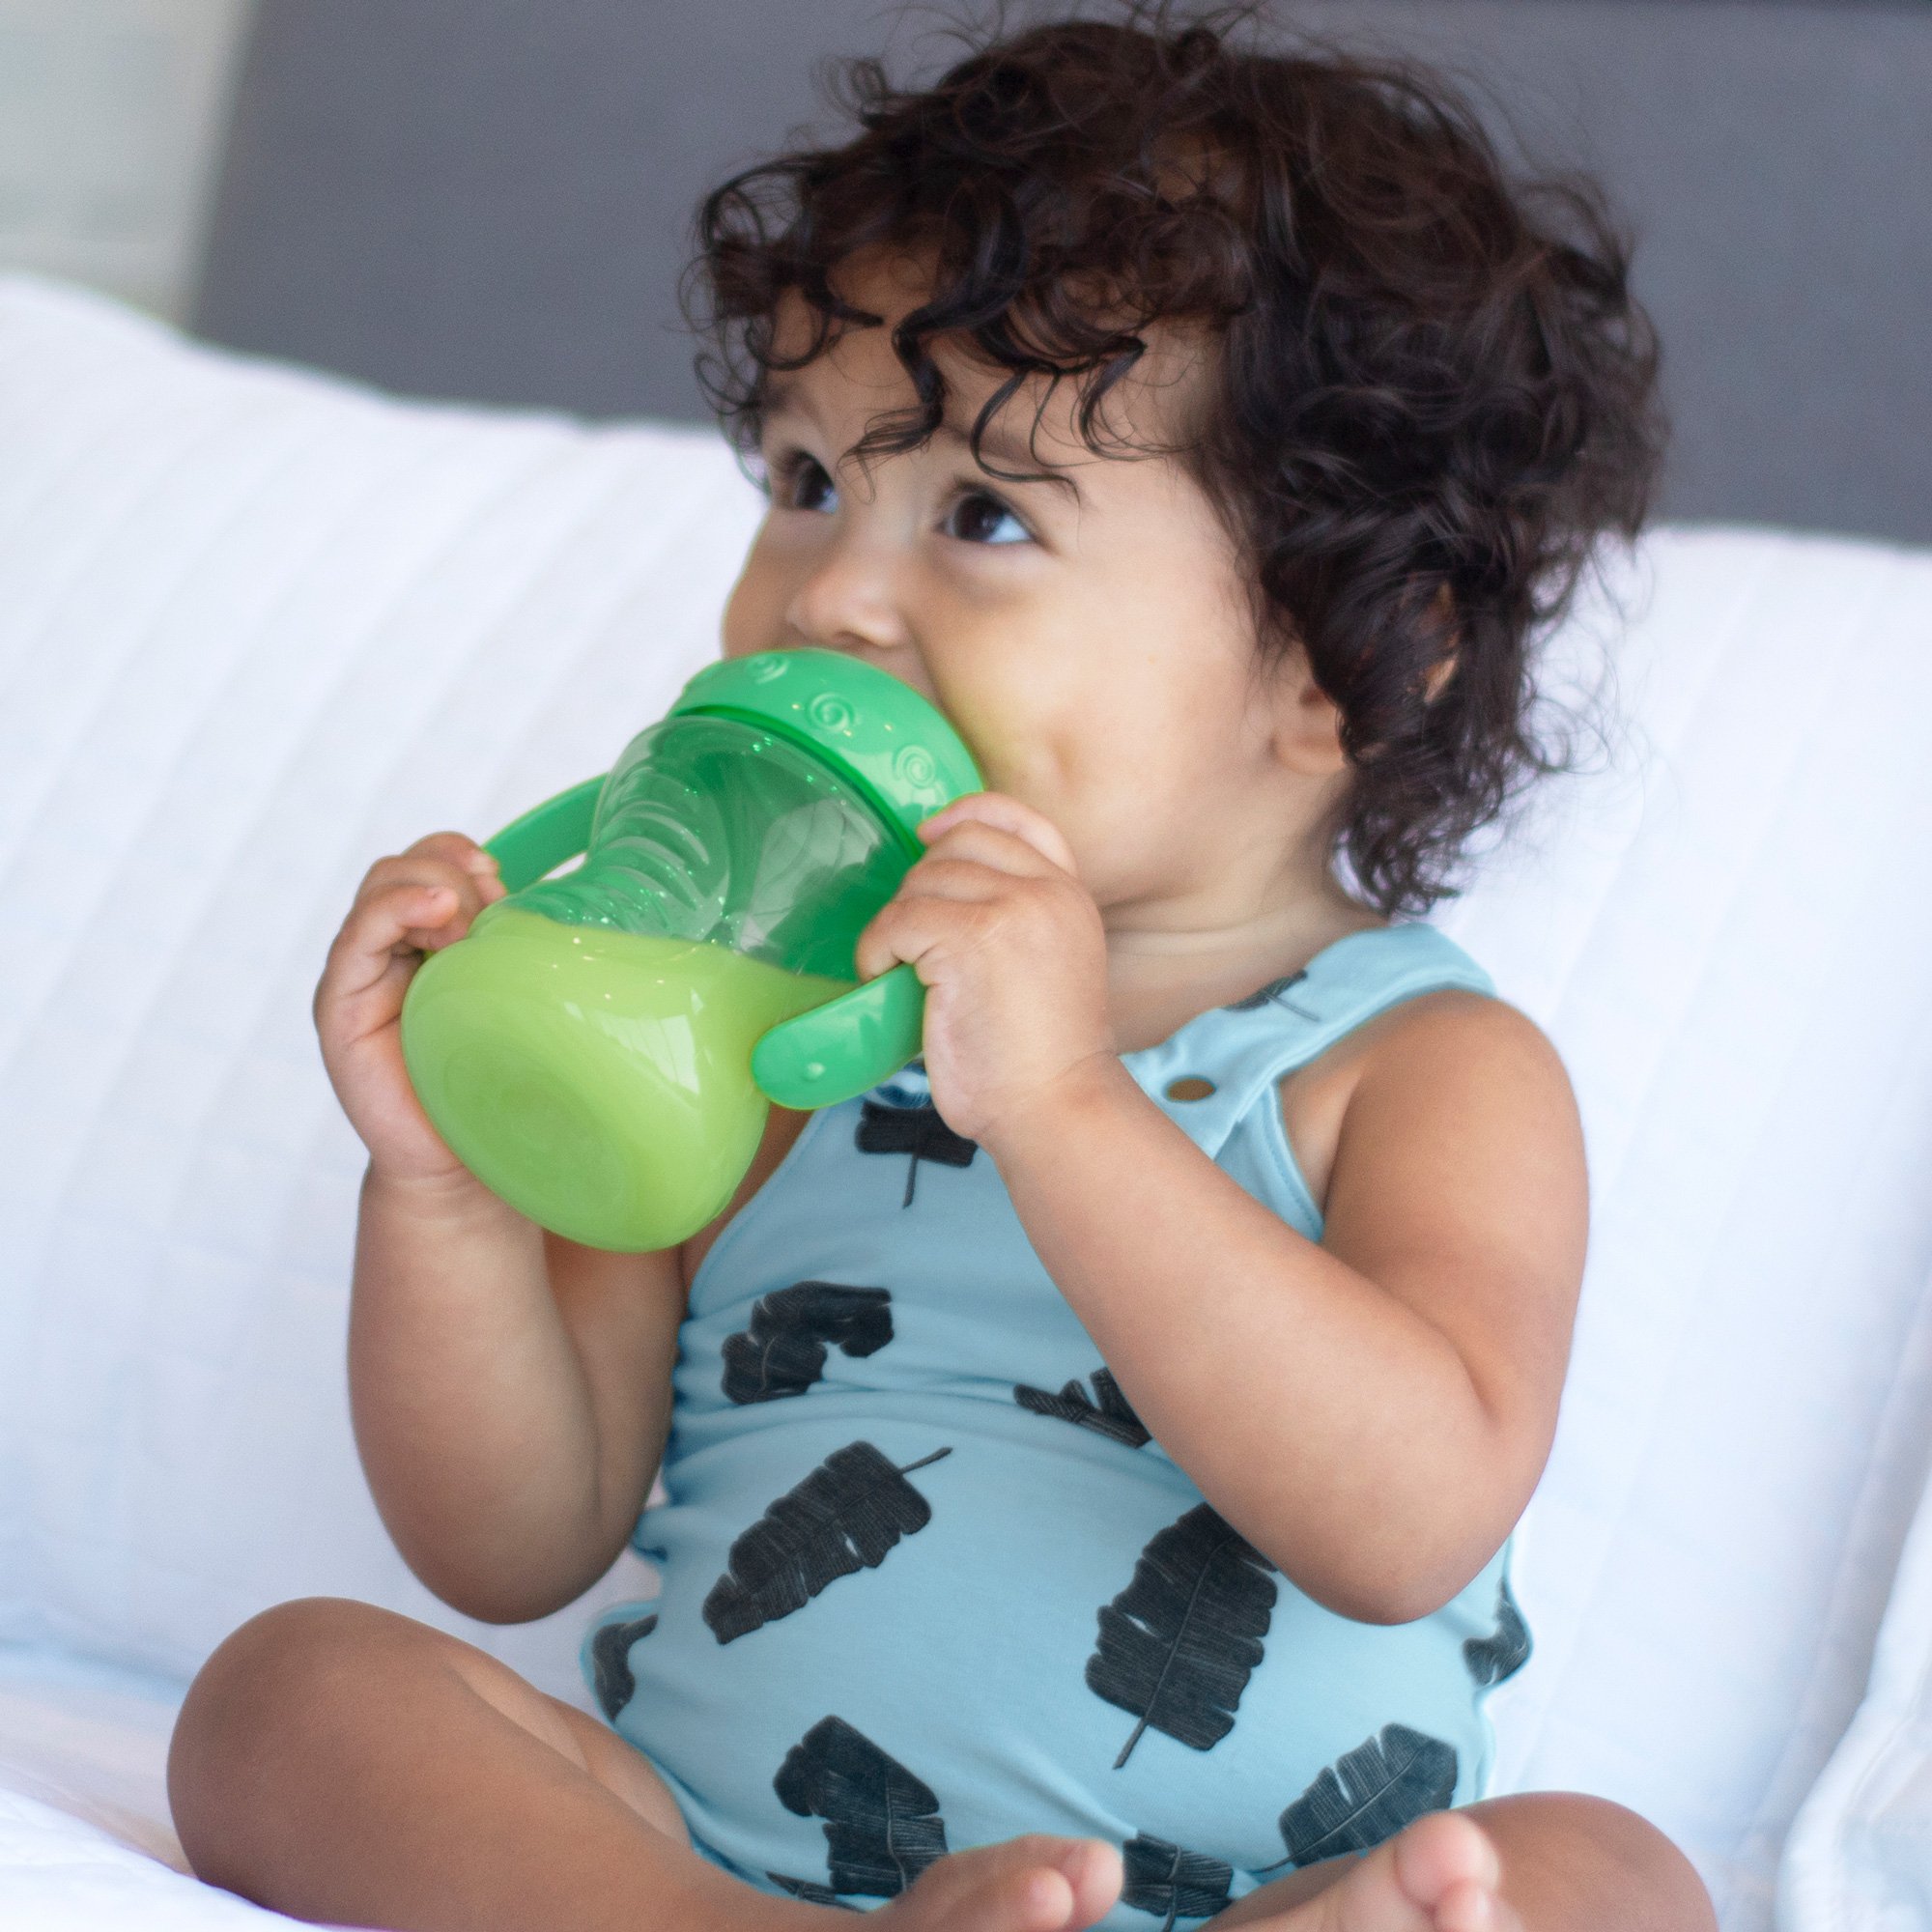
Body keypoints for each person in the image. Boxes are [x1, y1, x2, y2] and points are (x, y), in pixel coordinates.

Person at [167, 8, 1717, 1930]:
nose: (829, 595)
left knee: (1613, 1879)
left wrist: (1063, 1105)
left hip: (1282, 1881)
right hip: (737, 1856)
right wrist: (442, 1183)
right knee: (288, 1696)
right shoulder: (750, 1010)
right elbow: (512, 1542)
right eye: (807, 483)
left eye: (981, 513)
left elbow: (1403, 1523)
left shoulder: (1406, 1067)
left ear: (1350, 662)